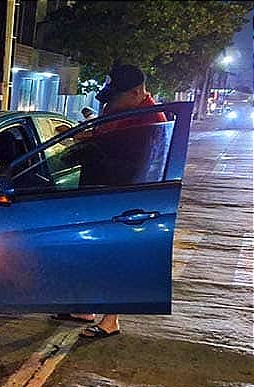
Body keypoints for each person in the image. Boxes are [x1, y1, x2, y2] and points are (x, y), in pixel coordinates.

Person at [69, 64, 166, 340]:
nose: (110, 102)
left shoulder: (146, 119)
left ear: (137, 92)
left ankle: (110, 319)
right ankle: (85, 309)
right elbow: (103, 136)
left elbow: (113, 152)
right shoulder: (123, 111)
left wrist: (81, 145)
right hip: (101, 195)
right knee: (93, 253)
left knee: (113, 257)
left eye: (115, 96)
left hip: (122, 200)